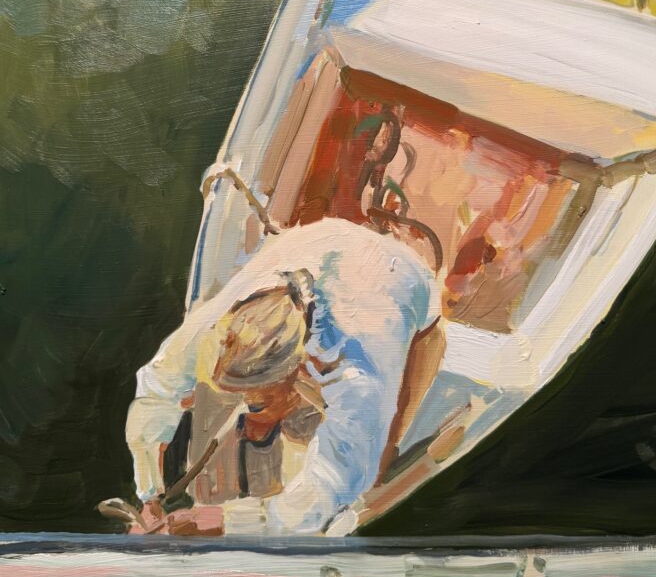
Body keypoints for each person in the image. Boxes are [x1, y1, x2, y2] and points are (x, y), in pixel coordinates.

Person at [125, 215, 444, 536]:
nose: (244, 425)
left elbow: (327, 490)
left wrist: (221, 520)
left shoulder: (354, 375)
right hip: (323, 241)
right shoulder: (219, 323)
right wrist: (150, 492)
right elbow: (157, 386)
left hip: (404, 282)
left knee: (370, 471)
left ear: (302, 375)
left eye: (256, 405)